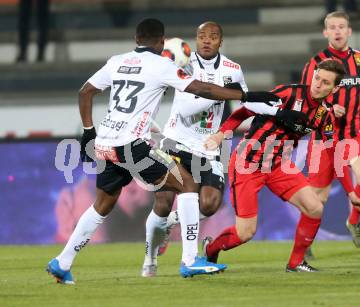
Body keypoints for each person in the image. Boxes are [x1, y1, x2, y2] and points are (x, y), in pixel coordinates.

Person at [46, 18, 279, 284]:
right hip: (132, 145)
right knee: (188, 184)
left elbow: (85, 92)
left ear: (136, 40)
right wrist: (245, 96)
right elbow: (201, 88)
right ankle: (190, 261)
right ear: (161, 42)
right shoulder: (161, 65)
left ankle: (62, 262)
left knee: (102, 204)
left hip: (105, 142)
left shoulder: (117, 61)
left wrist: (88, 131)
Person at [203, 60, 360, 273]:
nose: (317, 84)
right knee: (245, 233)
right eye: (317, 77)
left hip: (279, 166)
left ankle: (295, 263)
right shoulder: (288, 93)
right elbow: (246, 111)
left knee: (315, 207)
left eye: (325, 82)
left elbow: (333, 153)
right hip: (247, 164)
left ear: (335, 88)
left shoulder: (325, 116)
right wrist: (221, 133)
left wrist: (351, 193)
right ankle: (211, 248)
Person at [140, 21, 249, 277]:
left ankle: (171, 225)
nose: (207, 40)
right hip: (175, 141)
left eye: (213, 36)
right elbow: (178, 103)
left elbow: (243, 105)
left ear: (221, 41)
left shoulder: (234, 70)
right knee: (164, 200)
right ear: (195, 40)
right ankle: (150, 259)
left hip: (210, 148)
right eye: (202, 36)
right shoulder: (181, 64)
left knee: (210, 204)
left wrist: (224, 132)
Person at [300, 11, 360, 249]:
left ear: (349, 31)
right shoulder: (316, 62)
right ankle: (304, 242)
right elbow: (305, 97)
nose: (337, 31)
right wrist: (329, 107)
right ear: (325, 33)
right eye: (332, 27)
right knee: (317, 199)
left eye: (341, 27)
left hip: (355, 134)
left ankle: (353, 222)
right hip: (324, 139)